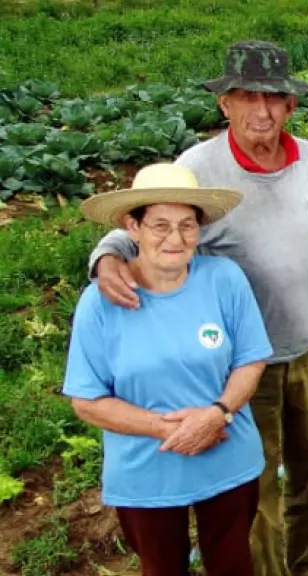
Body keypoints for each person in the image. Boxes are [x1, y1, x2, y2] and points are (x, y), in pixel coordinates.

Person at [87, 40, 308, 576]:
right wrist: (105, 256)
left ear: (291, 106)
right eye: (247, 96)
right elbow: (149, 221)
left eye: (276, 98)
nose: (263, 110)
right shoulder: (198, 168)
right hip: (236, 363)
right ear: (224, 104)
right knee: (256, 485)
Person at [64, 163, 272, 576]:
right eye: (160, 225)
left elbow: (250, 360)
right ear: (132, 226)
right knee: (161, 567)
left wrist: (217, 413)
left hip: (228, 455)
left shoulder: (224, 279)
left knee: (233, 564)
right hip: (146, 471)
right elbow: (87, 401)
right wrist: (167, 429)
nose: (175, 239)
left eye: (187, 225)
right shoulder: (100, 302)